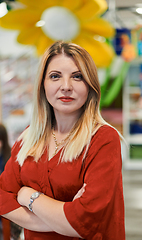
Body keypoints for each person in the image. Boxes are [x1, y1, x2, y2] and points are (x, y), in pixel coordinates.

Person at [0, 41, 125, 240]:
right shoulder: (29, 137)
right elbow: (2, 197)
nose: (66, 86)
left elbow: (84, 222)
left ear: (90, 85)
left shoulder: (103, 139)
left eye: (77, 77)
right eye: (55, 76)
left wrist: (28, 197)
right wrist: (60, 219)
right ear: (43, 84)